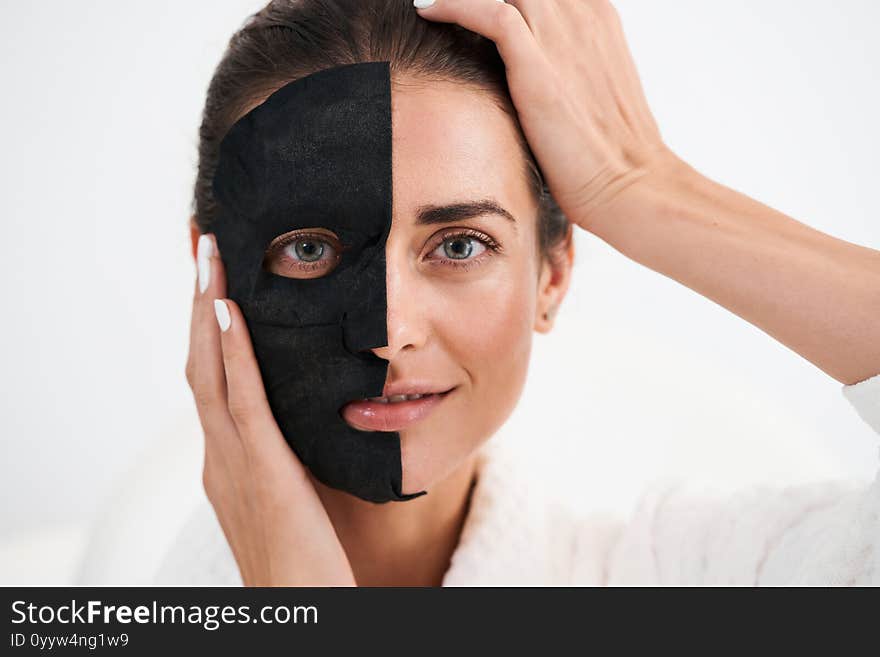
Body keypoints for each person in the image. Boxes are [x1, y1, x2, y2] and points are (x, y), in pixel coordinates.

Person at [158, 0, 880, 586]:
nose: (390, 330)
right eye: (309, 249)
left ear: (552, 275)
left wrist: (643, 185)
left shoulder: (689, 576)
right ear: (209, 268)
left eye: (460, 245)